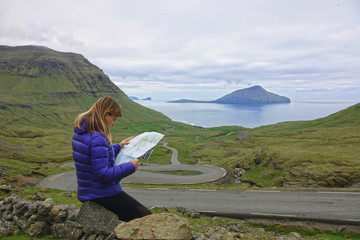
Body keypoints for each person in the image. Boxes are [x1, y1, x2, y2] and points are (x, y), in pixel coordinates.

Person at [72, 96, 151, 221]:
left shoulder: (84, 131)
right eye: (113, 119)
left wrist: (119, 146)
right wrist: (130, 166)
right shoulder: (98, 137)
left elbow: (96, 155)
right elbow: (103, 175)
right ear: (105, 114)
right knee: (145, 218)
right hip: (101, 193)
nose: (113, 124)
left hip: (90, 190)